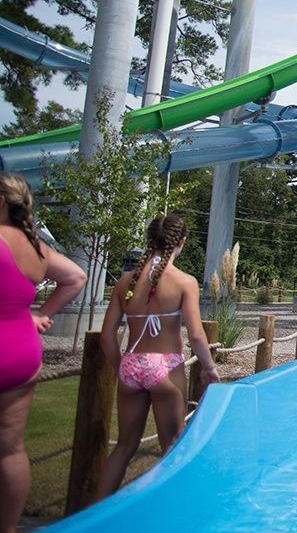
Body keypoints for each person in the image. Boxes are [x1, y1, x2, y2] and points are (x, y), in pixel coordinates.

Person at [97, 215, 219, 500]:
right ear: (182, 242)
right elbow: (197, 336)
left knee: (125, 445)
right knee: (172, 447)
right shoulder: (184, 282)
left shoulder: (125, 282)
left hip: (132, 364)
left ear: (148, 240)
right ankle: (171, 512)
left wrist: (122, 369)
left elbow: (106, 336)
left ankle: (94, 514)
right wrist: (209, 367)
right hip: (165, 366)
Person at [0, 173, 86, 533]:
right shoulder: (37, 247)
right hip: (22, 349)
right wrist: (42, 313)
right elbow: (77, 277)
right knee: (10, 449)